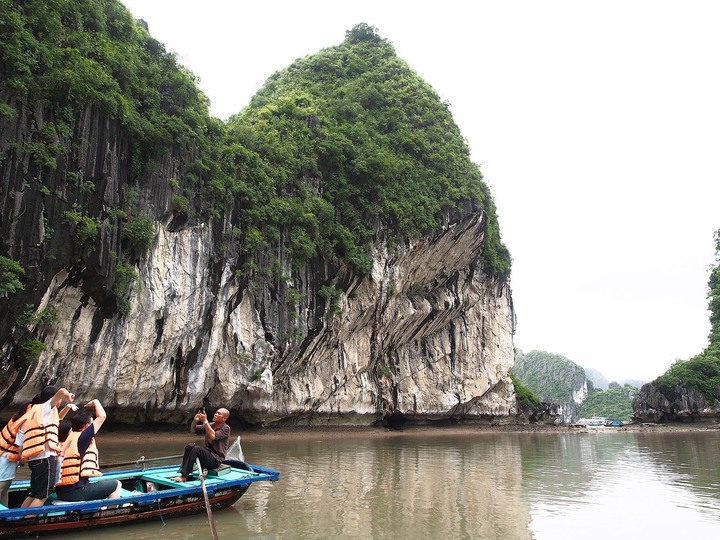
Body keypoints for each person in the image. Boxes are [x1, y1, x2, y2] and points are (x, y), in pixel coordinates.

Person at [55, 399, 121, 501]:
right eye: (91, 423)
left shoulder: (68, 438)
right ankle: (110, 511)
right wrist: (96, 402)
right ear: (86, 426)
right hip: (76, 492)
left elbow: (58, 419)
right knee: (117, 484)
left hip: (61, 492)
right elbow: (102, 416)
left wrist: (67, 407)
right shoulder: (82, 438)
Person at [20, 386, 75, 508]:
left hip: (36, 459)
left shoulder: (38, 411)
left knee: (34, 493)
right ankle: (28, 521)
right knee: (43, 495)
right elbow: (61, 391)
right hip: (45, 458)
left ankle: (19, 517)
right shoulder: (46, 407)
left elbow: (58, 419)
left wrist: (67, 407)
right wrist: (67, 397)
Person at [171, 408, 230, 482]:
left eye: (219, 414)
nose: (216, 414)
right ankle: (184, 471)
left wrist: (205, 421)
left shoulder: (226, 428)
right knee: (190, 446)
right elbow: (193, 429)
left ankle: (184, 476)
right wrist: (195, 420)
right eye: (216, 412)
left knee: (197, 449)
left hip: (215, 459)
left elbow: (213, 436)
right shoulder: (210, 424)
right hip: (207, 454)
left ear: (224, 418)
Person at [0, 401, 32, 506]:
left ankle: (5, 513)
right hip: (5, 458)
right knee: (2, 487)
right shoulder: (25, 421)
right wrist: (23, 459)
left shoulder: (17, 417)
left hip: (6, 456)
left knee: (5, 489)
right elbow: (20, 445)